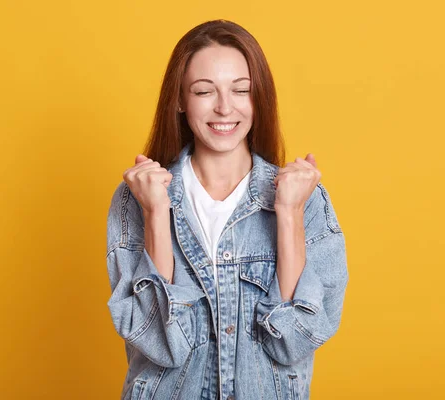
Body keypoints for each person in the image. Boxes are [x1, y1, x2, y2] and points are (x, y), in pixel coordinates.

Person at [106, 19, 348, 400]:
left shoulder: (306, 199)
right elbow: (160, 342)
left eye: (241, 90)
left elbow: (295, 340)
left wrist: (288, 215)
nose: (224, 107)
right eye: (204, 91)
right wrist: (156, 214)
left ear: (260, 99)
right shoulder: (135, 198)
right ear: (181, 101)